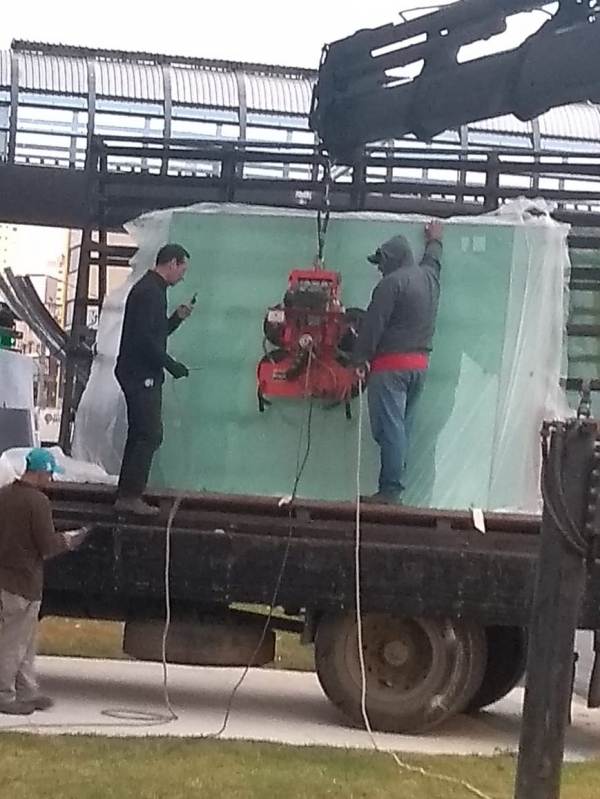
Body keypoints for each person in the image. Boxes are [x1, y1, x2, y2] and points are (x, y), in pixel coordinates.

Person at [353, 221, 444, 504]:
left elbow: (372, 326)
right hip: (418, 366)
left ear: (392, 259)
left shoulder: (390, 284)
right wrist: (434, 240)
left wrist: (358, 360)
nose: (379, 268)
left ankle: (390, 492)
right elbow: (433, 260)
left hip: (390, 368)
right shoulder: (428, 278)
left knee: (388, 428)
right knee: (401, 429)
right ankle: (394, 487)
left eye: (381, 262)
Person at [0, 448, 89, 716]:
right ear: (39, 473)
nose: (51, 480)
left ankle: (27, 690)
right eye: (50, 474)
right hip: (24, 583)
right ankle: (4, 694)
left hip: (6, 580)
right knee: (13, 643)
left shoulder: (3, 495)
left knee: (26, 642)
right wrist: (70, 540)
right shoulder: (38, 503)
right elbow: (47, 546)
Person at [114, 243, 195, 515]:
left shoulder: (150, 289)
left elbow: (154, 333)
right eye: (182, 268)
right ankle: (130, 496)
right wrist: (172, 366)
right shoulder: (151, 293)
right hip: (140, 374)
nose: (182, 276)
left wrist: (176, 319)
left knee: (139, 433)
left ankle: (127, 493)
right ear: (171, 263)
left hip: (135, 370)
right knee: (149, 433)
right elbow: (146, 341)